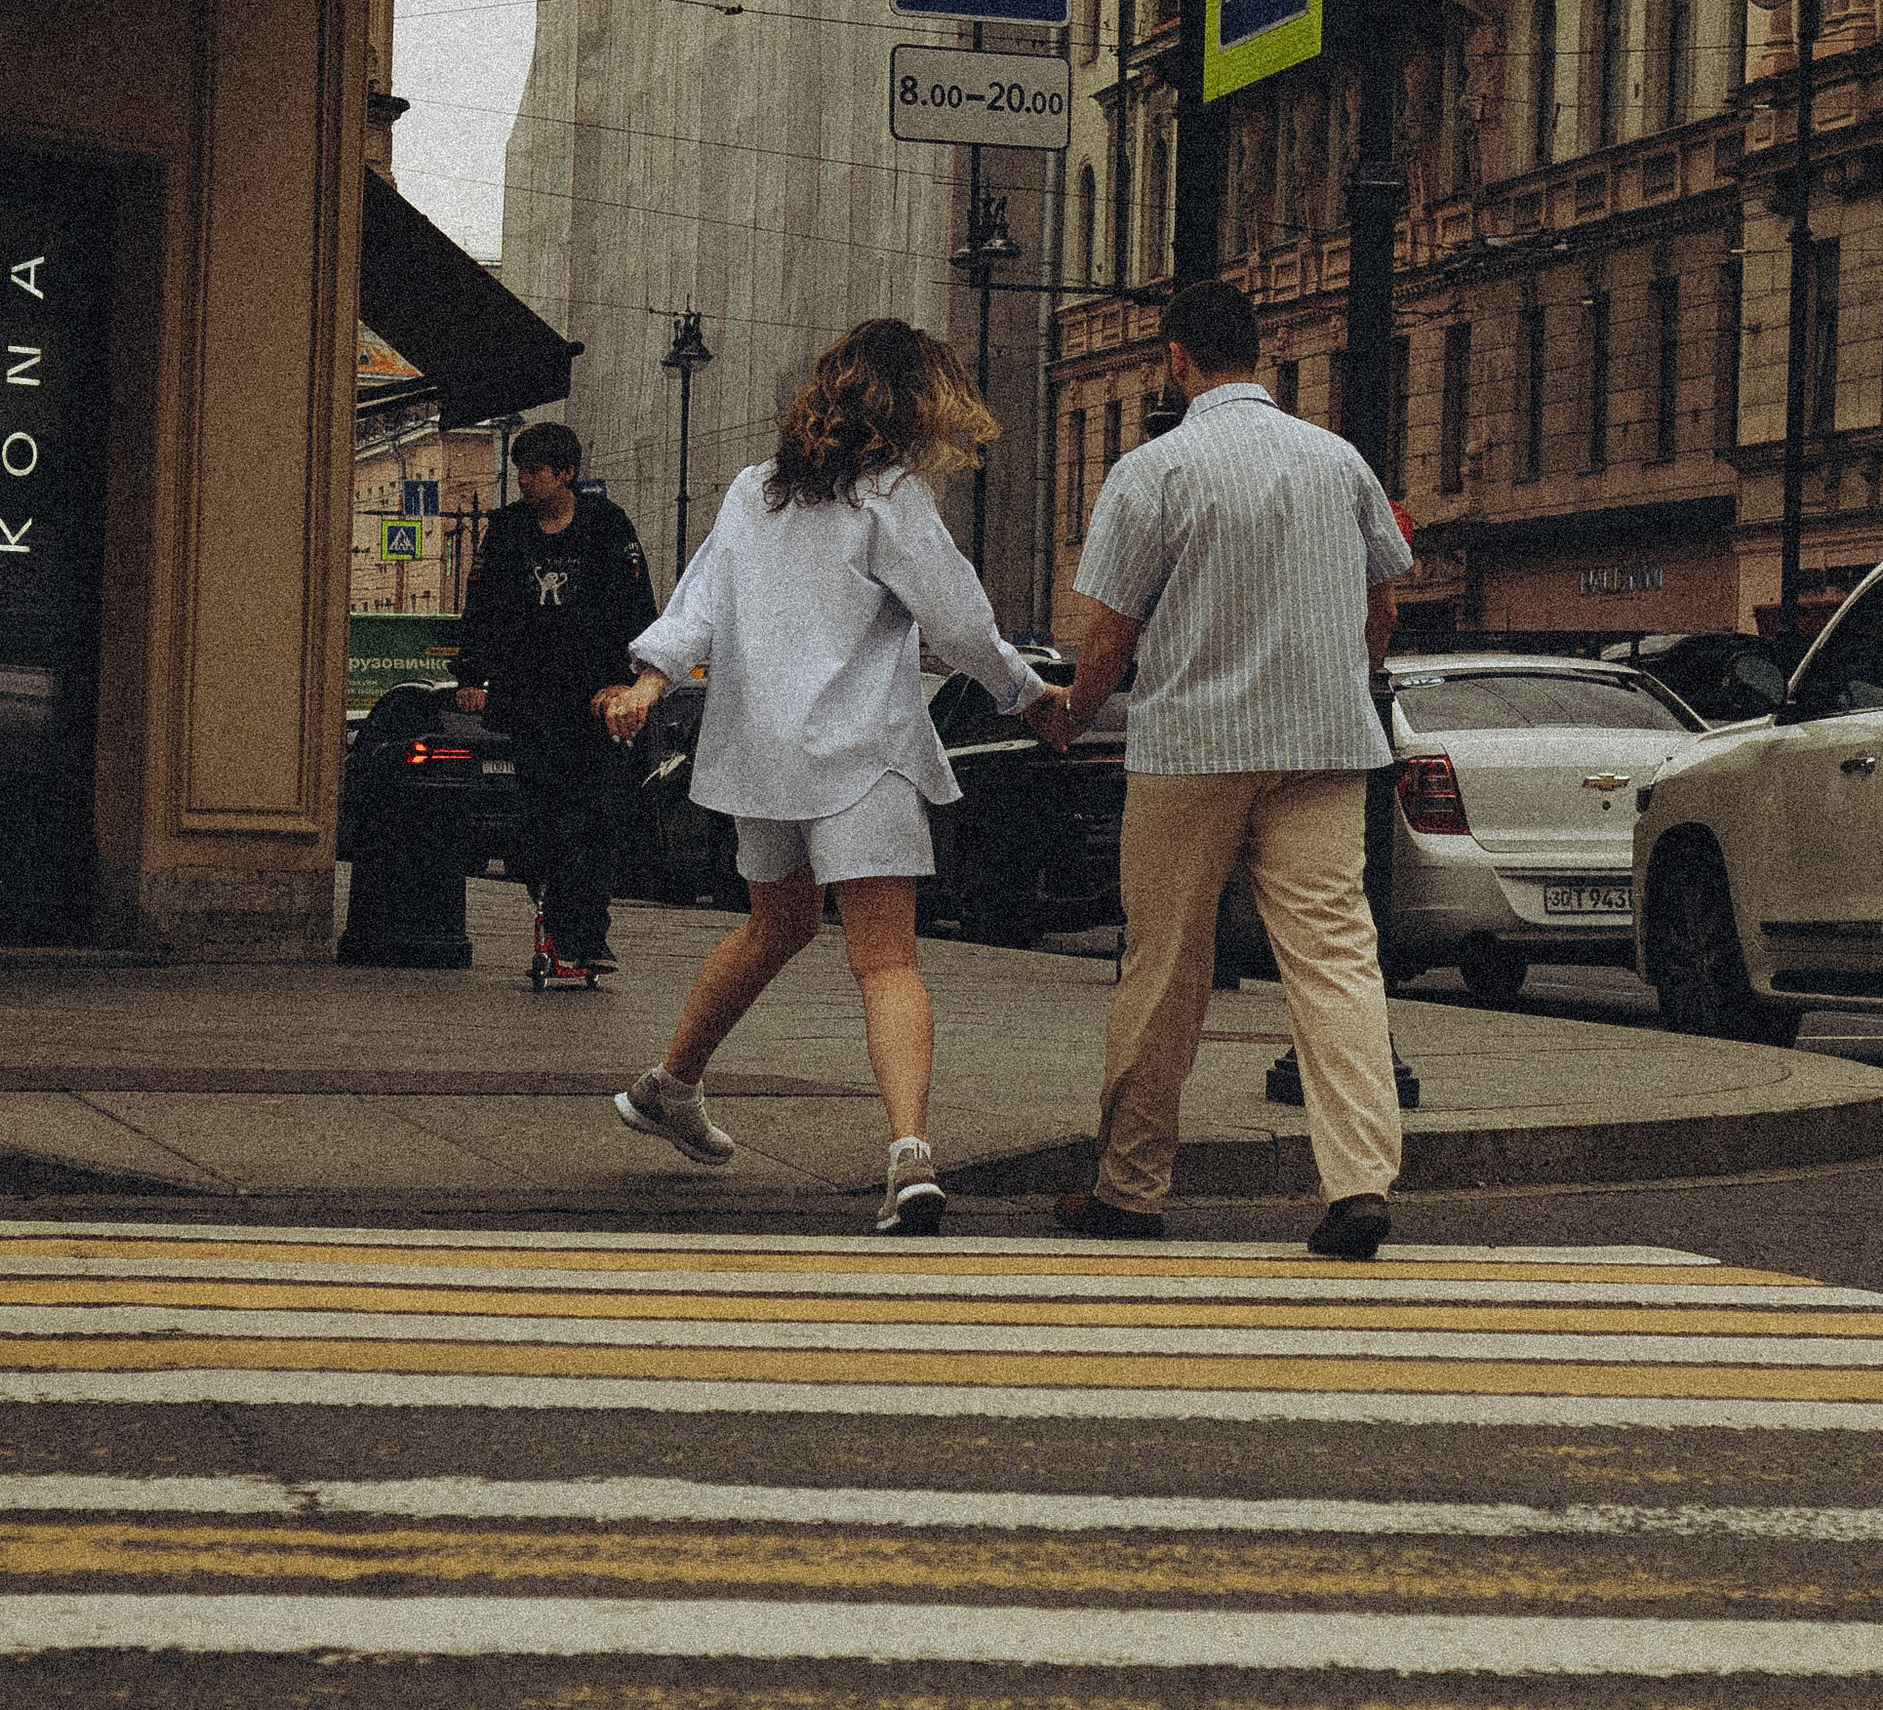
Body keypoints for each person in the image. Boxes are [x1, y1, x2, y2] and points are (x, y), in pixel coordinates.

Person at [597, 317, 1067, 1231]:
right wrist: (1025, 694)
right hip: (858, 753)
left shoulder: (755, 492)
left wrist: (648, 683)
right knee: (886, 958)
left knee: (776, 926)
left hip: (761, 754)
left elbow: (698, 603)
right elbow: (961, 626)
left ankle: (670, 1087)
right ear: (912, 407)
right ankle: (910, 1155)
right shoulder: (889, 498)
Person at [1049, 278, 1413, 1259]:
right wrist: (1349, 677)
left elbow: (1109, 632)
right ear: (1257, 352)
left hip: (1192, 751)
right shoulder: (1339, 462)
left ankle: (1128, 1188)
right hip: (1325, 747)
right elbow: (1383, 603)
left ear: (1176, 360)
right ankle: (1357, 1184)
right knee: (1334, 956)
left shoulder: (1153, 472)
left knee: (1165, 963)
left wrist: (1073, 716)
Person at [452, 421, 656, 986]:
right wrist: (472, 674)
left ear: (565, 473)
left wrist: (629, 678)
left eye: (535, 471)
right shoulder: (509, 530)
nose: (524, 480)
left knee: (591, 816)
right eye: (520, 470)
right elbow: (484, 604)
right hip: (527, 694)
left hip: (591, 697)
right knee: (541, 817)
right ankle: (558, 920)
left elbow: (636, 604)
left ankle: (587, 935)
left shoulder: (605, 526)